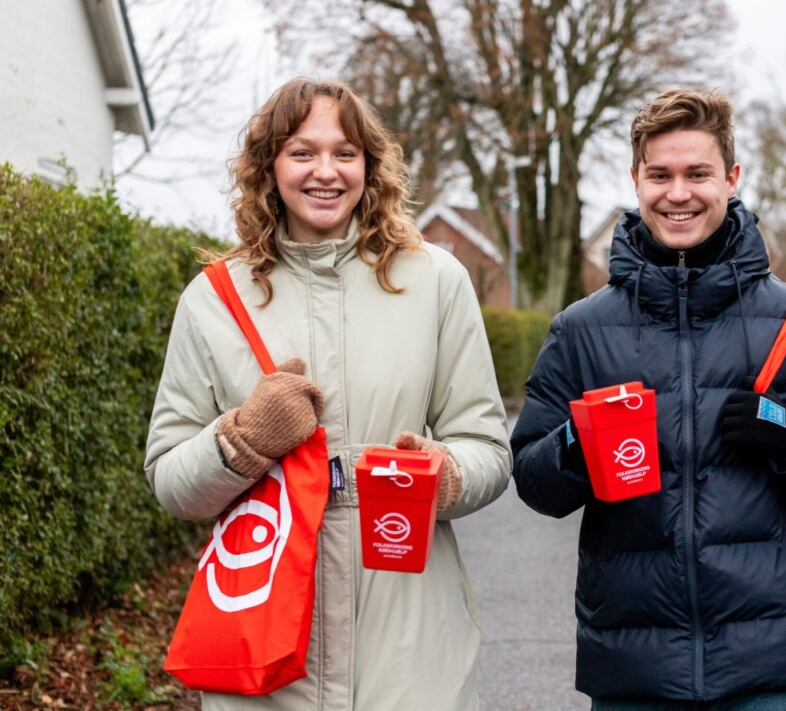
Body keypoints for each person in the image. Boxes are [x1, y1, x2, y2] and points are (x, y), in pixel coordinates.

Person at [511, 88, 786, 710]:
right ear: (635, 181)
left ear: (731, 178)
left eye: (698, 174)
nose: (678, 193)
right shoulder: (581, 330)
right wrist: (576, 442)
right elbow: (533, 482)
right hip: (636, 669)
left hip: (775, 668)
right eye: (660, 175)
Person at [144, 78, 511, 710]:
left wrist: (447, 475)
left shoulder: (435, 281)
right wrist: (241, 442)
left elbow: (488, 446)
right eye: (302, 152)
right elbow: (171, 481)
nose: (326, 171)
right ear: (269, 166)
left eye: (345, 152)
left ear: (370, 166)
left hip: (409, 626)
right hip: (267, 622)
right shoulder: (213, 299)